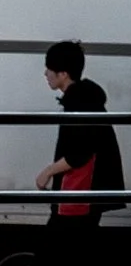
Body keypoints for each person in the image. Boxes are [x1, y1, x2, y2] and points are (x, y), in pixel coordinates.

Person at [40, 39, 123, 235]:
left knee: (56, 251)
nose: (46, 74)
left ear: (63, 73)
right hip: (86, 192)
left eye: (49, 69)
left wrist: (48, 172)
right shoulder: (86, 98)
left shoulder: (78, 102)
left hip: (80, 191)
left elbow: (79, 152)